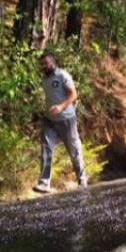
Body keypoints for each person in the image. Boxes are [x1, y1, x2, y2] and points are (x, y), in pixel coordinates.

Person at [33, 51, 87, 193]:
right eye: (42, 64)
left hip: (66, 119)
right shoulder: (44, 79)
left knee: (74, 150)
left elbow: (73, 94)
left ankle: (82, 179)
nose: (44, 66)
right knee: (46, 147)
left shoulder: (63, 75)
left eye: (46, 63)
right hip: (50, 120)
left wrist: (61, 107)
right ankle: (44, 183)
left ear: (53, 62)